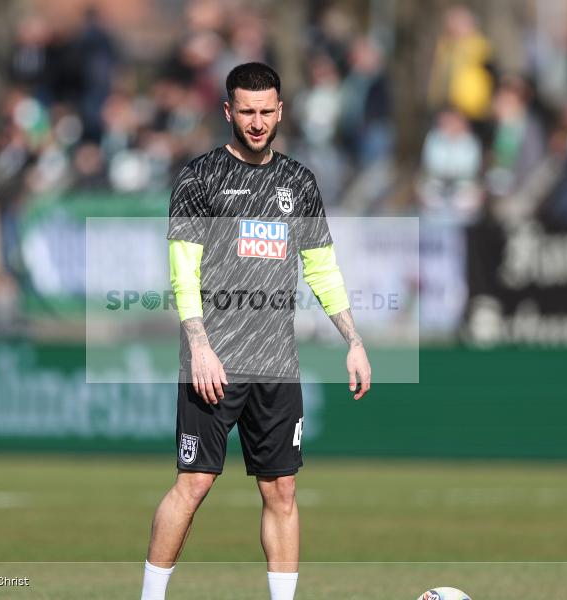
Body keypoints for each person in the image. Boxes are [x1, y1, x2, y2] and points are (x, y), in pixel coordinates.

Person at [140, 62, 371, 600]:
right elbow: (183, 271)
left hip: (276, 363)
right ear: (228, 111)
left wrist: (354, 341)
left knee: (282, 491)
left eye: (267, 111)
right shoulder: (200, 179)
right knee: (194, 483)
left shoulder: (299, 182)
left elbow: (321, 267)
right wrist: (199, 346)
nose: (258, 121)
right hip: (213, 361)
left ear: (281, 110)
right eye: (247, 111)